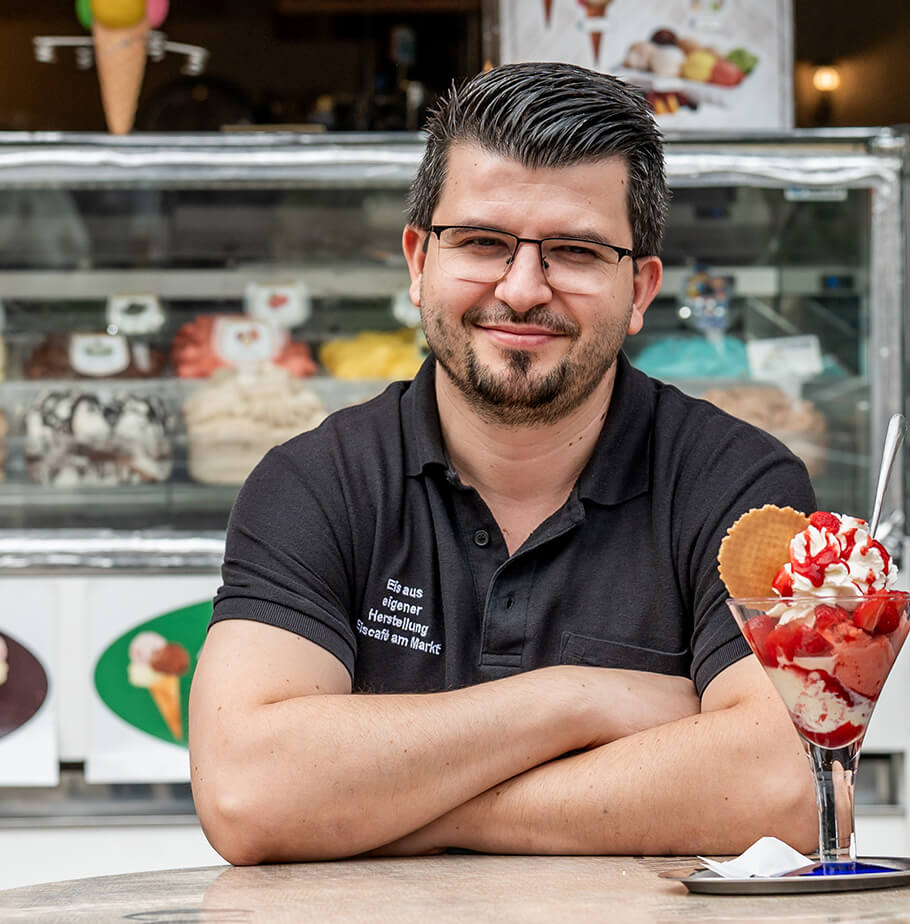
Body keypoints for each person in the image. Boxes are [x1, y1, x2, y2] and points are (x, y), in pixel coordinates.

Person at [189, 61, 818, 864]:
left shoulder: (740, 486)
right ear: (418, 262)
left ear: (641, 290)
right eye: (482, 242)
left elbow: (786, 787)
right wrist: (576, 699)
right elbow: (251, 793)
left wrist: (396, 812)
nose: (522, 290)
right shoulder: (316, 482)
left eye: (577, 251)